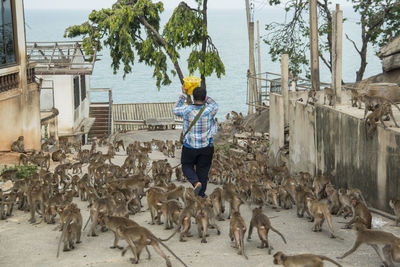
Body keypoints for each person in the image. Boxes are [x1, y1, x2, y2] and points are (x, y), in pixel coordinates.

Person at [172, 85, 218, 197]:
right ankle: (201, 195)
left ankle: (196, 182)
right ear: (204, 97)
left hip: (190, 146)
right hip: (206, 146)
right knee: (203, 170)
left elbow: (175, 109)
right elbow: (214, 104)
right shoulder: (210, 110)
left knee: (186, 165)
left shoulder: (187, 110)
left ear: (193, 97)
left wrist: (184, 94)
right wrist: (205, 96)